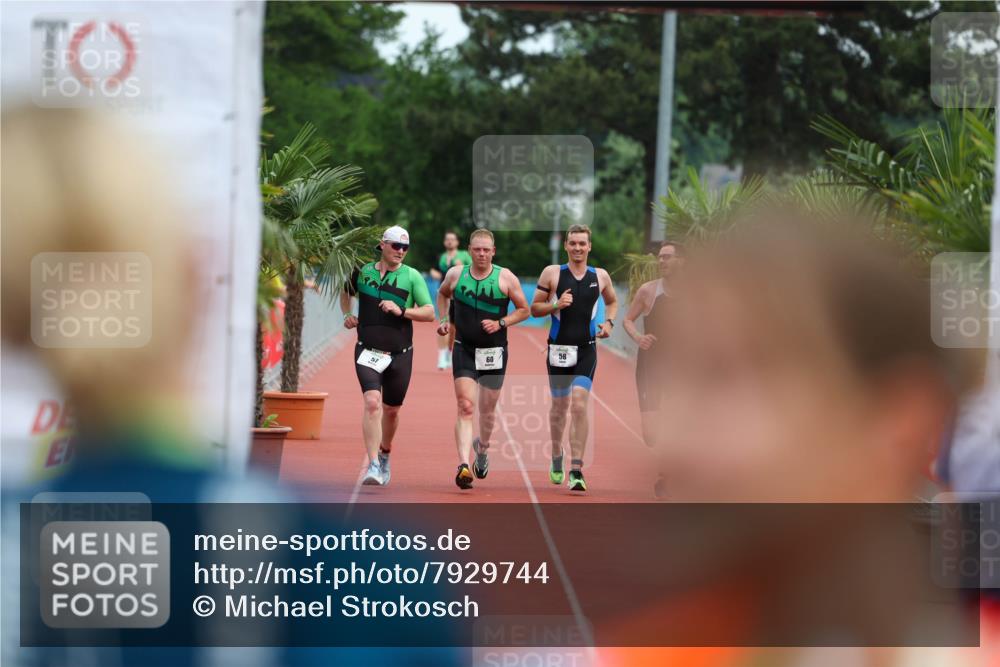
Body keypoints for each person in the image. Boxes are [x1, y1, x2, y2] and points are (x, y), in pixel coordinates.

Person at [436, 229, 530, 489]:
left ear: (493, 251)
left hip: (494, 352)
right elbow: (442, 294)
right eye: (477, 249)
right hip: (464, 348)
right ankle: (463, 465)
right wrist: (443, 319)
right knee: (466, 406)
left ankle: (483, 449)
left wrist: (501, 323)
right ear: (469, 250)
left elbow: (524, 310)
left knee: (487, 411)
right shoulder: (456, 274)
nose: (481, 254)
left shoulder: (505, 277)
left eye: (486, 250)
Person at [341, 226, 435, 486]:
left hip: (400, 355)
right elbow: (345, 292)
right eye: (396, 246)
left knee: (391, 410)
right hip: (367, 350)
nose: (401, 251)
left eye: (405, 247)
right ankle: (372, 465)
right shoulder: (362, 271)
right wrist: (346, 314)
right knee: (372, 403)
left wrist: (401, 310)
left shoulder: (412, 276)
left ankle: (384, 453)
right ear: (382, 245)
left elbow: (429, 312)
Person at [530, 224, 618, 492]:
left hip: (586, 350)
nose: (577, 248)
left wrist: (609, 323)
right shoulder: (552, 273)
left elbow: (612, 302)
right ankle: (557, 454)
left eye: (582, 243)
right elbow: (534, 309)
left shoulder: (600, 276)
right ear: (566, 245)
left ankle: (576, 469)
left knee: (579, 405)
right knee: (559, 408)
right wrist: (556, 305)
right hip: (558, 350)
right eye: (573, 243)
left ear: (589, 246)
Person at [622, 241, 682, 498]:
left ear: (682, 261)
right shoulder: (648, 291)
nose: (662, 261)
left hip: (680, 365)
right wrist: (639, 337)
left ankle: (666, 476)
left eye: (667, 257)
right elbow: (627, 320)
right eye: (660, 257)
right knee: (651, 433)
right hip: (650, 365)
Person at [429, 231, 472, 370]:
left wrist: (462, 267)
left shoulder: (464, 255)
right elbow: (433, 270)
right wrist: (435, 274)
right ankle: (442, 356)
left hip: (459, 296)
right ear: (444, 242)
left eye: (452, 239)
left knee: (453, 328)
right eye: (447, 239)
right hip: (444, 294)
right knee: (443, 323)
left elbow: (473, 271)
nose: (449, 241)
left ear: (457, 242)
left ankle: (449, 351)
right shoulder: (441, 257)